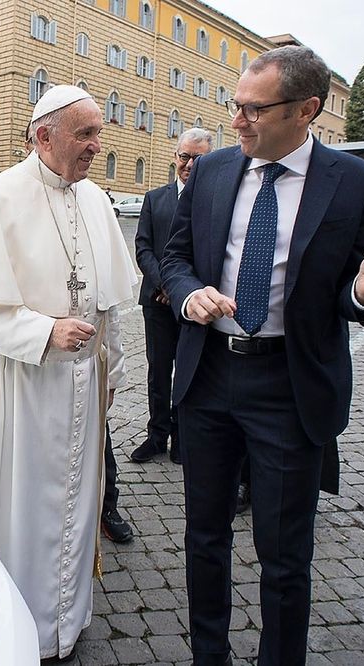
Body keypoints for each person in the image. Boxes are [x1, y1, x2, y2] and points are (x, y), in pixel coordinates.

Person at [159, 46, 364, 665]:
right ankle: (208, 654)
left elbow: (352, 288)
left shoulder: (356, 184)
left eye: (253, 110)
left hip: (289, 388)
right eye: (235, 105)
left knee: (285, 554)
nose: (237, 120)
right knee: (204, 536)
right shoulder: (211, 171)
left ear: (306, 111)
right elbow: (176, 256)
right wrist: (187, 296)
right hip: (208, 377)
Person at [0, 85, 137, 659]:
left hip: (80, 385)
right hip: (14, 384)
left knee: (74, 500)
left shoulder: (95, 200)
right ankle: (18, 630)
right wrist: (42, 333)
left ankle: (65, 620)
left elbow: (110, 300)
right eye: (86, 134)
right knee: (20, 508)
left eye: (97, 131)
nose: (98, 144)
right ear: (45, 136)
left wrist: (111, 367)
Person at [131, 128, 212, 465]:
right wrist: (165, 284)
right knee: (158, 371)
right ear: (175, 157)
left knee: (189, 373)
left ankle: (182, 437)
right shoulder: (155, 198)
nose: (190, 164)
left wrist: (183, 291)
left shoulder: (213, 201)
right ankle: (156, 435)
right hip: (156, 301)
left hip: (193, 305)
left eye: (198, 158)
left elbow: (210, 254)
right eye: (184, 156)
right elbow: (143, 247)